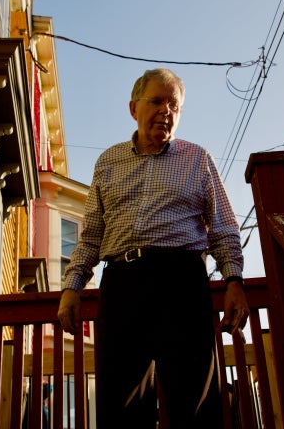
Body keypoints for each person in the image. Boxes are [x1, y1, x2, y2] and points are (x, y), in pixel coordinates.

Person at [57, 68, 249, 429]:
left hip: (183, 282)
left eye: (174, 104)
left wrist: (234, 281)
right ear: (134, 108)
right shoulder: (108, 161)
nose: (166, 110)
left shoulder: (197, 159)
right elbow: (92, 234)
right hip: (123, 282)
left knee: (194, 399)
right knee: (121, 402)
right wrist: (72, 287)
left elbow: (223, 227)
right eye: (157, 101)